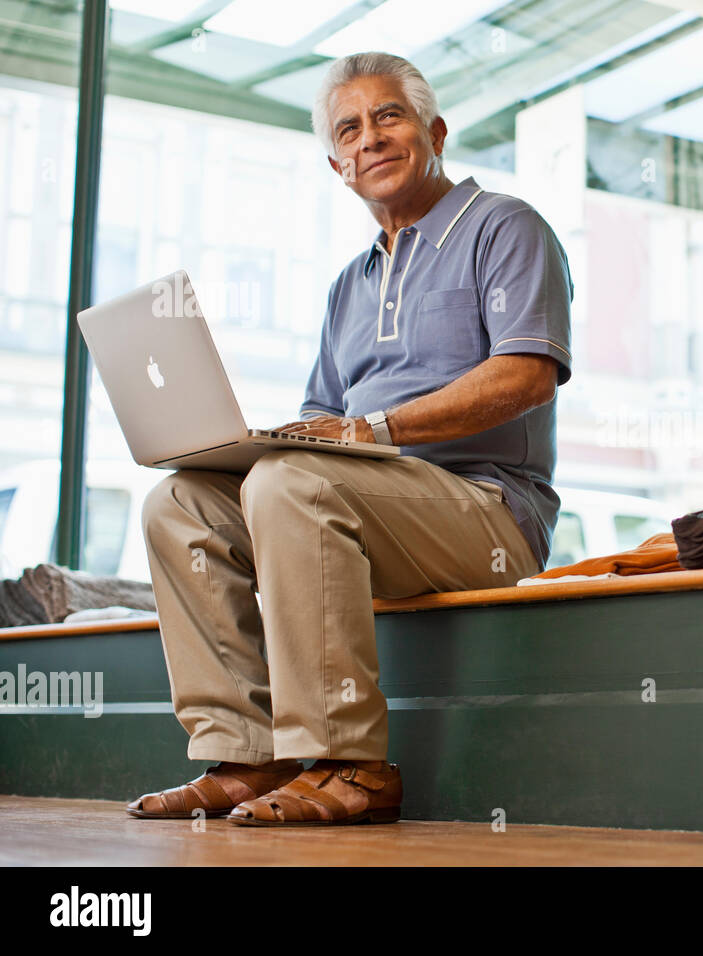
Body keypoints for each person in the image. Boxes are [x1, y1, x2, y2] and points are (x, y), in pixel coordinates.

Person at [127, 51, 573, 827]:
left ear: (434, 131)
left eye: (389, 116)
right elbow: (321, 416)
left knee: (290, 482)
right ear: (337, 165)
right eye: (350, 129)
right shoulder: (349, 285)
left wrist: (375, 428)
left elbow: (527, 375)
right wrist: (256, 443)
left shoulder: (505, 226)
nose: (370, 137)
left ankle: (351, 766)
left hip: (487, 512)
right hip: (363, 504)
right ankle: (244, 758)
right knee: (179, 503)